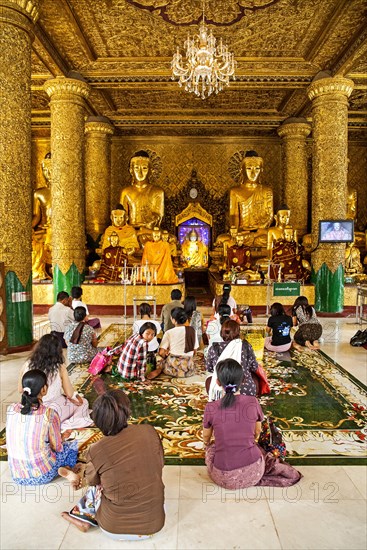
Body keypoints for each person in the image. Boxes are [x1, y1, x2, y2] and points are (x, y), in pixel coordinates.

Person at [60, 390, 165, 538]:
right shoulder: (149, 431)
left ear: (97, 421)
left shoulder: (96, 450)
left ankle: (83, 517)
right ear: (127, 412)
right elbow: (160, 464)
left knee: (96, 486)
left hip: (114, 527)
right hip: (154, 524)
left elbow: (91, 482)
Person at [203, 359, 302, 490]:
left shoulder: (211, 407)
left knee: (211, 450)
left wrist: (207, 445)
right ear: (243, 380)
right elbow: (257, 432)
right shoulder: (252, 402)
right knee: (257, 448)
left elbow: (206, 437)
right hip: (254, 472)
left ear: (217, 382)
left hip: (222, 477)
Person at [7, 369, 78, 485]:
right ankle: (64, 469)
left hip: (17, 475)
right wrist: (62, 437)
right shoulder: (49, 414)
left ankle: (63, 469)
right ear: (44, 389)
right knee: (72, 446)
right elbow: (57, 447)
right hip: (43, 474)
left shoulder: (11, 409)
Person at [18, 334, 93, 430]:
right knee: (84, 403)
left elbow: (21, 389)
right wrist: (77, 397)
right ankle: (64, 424)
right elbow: (70, 393)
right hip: (54, 409)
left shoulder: (27, 364)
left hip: (30, 407)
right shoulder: (59, 367)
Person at [206, 320, 259, 399]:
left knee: (209, 379)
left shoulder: (214, 348)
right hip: (245, 389)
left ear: (222, 333)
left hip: (221, 389)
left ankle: (222, 397)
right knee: (254, 376)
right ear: (238, 333)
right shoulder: (245, 345)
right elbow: (254, 367)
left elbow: (209, 368)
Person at [119, 150, 164, 230]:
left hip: (150, 231)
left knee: (171, 239)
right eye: (136, 168)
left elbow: (159, 216)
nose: (140, 172)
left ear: (151, 171)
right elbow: (121, 216)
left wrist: (151, 222)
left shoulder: (158, 192)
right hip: (131, 231)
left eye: (144, 168)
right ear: (131, 170)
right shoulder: (126, 192)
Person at [229, 150, 273, 231]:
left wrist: (260, 227)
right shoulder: (235, 191)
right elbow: (233, 215)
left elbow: (269, 215)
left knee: (267, 237)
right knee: (223, 239)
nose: (253, 173)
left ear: (261, 170)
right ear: (242, 170)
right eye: (249, 168)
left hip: (260, 232)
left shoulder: (266, 190)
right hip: (242, 233)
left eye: (257, 168)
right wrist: (234, 230)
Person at [159, 307, 198, 377]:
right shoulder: (192, 331)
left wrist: (166, 355)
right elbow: (195, 351)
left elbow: (161, 352)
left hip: (172, 369)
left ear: (173, 320)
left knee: (159, 360)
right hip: (188, 369)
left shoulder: (169, 332)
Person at [32, 153, 52, 280]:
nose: (48, 173)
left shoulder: (69, 191)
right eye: (45, 169)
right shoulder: (39, 193)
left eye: (51, 169)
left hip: (60, 233)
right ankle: (38, 272)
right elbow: (36, 217)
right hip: (44, 231)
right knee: (35, 245)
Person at [132, 303, 162, 372]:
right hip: (153, 348)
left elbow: (135, 337)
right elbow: (156, 335)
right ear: (150, 312)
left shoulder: (136, 323)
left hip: (141, 348)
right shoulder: (156, 323)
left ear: (139, 312)